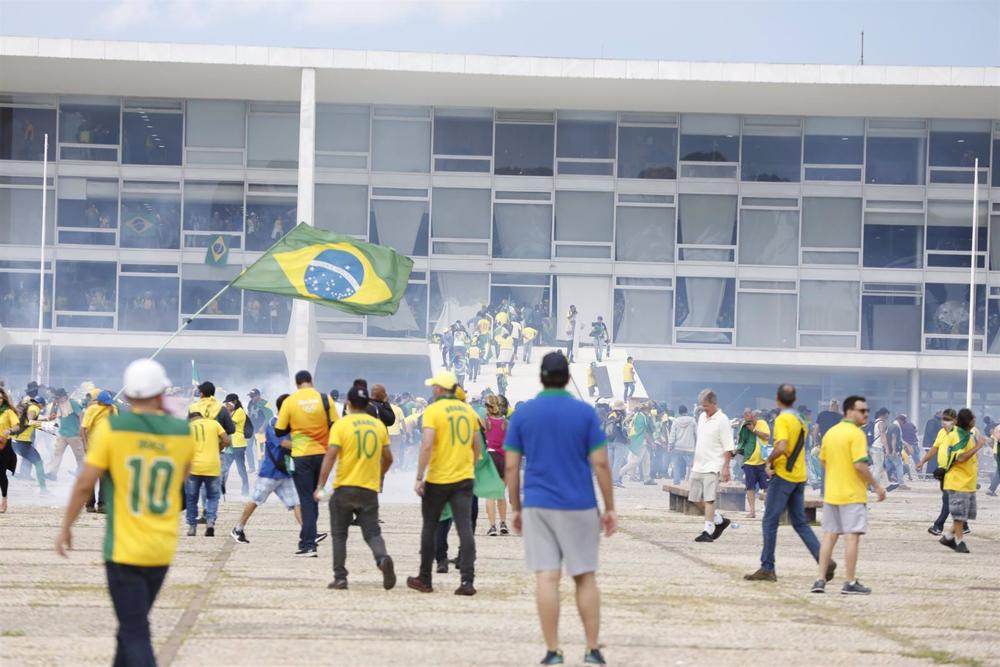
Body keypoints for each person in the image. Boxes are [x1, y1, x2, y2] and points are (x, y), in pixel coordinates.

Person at [56, 359, 193, 667]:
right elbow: (182, 478)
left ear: (128, 395)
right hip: (161, 547)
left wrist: (66, 527)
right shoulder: (182, 431)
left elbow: (85, 484)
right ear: (161, 393)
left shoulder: (114, 429)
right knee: (131, 625)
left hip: (123, 549)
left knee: (134, 630)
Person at [504, 351, 616, 666]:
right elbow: (600, 463)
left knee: (547, 577)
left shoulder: (524, 414)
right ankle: (592, 649)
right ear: (567, 378)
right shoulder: (584, 413)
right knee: (584, 577)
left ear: (541, 377)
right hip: (580, 504)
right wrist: (610, 507)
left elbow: (511, 467)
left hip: (538, 504)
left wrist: (516, 507)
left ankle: (553, 651)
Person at [745, 384, 833, 583]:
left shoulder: (783, 419)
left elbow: (782, 446)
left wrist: (769, 461)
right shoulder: (801, 420)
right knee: (800, 523)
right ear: (795, 399)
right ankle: (824, 559)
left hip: (784, 475)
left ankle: (767, 567)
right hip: (799, 475)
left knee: (769, 521)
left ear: (777, 399)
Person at [315, 385, 396, 590]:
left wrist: (320, 485)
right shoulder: (378, 426)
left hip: (344, 487)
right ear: (368, 403)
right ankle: (382, 559)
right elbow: (388, 458)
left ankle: (340, 577)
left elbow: (330, 457)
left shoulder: (341, 425)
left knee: (339, 534)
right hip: (368, 489)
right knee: (372, 532)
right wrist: (379, 475)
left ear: (349, 404)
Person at [407, 371, 480, 596]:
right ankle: (467, 580)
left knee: (430, 527)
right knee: (465, 528)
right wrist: (469, 466)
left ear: (439, 389)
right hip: (464, 477)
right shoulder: (468, 411)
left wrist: (419, 476)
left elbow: (427, 445)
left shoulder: (434, 410)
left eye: (434, 387)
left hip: (439, 478)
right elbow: (477, 445)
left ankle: (425, 578)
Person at [812, 395, 886, 595]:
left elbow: (823, 461)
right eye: (862, 411)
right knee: (852, 538)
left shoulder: (831, 433)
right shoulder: (856, 434)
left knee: (829, 537)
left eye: (867, 411)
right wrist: (876, 486)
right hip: (852, 494)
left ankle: (820, 580)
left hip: (832, 493)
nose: (866, 414)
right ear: (849, 412)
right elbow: (860, 465)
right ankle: (850, 582)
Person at [275, 370, 338, 557]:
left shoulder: (290, 401)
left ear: (297, 384)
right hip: (322, 454)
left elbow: (279, 430)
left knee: (306, 500)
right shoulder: (325, 399)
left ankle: (308, 544)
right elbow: (336, 424)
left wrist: (295, 425)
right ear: (311, 381)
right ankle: (308, 539)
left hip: (301, 455)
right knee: (315, 496)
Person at [231, 394, 301, 544]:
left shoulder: (288, 424)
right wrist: (307, 446)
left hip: (283, 472)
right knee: (255, 500)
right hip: (270, 472)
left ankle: (308, 533)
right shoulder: (274, 423)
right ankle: (238, 528)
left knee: (296, 501)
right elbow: (284, 444)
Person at [938, 408, 986, 553]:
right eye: (973, 418)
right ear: (969, 420)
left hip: (967, 482)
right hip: (957, 481)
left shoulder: (967, 435)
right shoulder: (958, 435)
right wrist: (978, 446)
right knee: (959, 516)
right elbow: (960, 458)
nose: (975, 420)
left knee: (963, 515)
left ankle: (948, 537)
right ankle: (960, 542)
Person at [689, 390, 734, 542]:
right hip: (698, 464)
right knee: (694, 498)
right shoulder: (702, 417)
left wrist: (726, 467)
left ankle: (707, 531)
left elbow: (728, 447)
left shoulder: (723, 420)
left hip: (714, 465)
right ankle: (719, 521)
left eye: (706, 406)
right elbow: (701, 440)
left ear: (714, 403)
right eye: (702, 406)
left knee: (709, 499)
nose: (704, 409)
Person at [186, 410, 229, 536]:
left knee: (191, 498)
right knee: (213, 496)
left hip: (193, 468)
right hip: (212, 466)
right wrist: (218, 448)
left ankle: (192, 527)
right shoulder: (214, 424)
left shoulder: (188, 427)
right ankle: (210, 522)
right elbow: (226, 440)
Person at [916, 408, 958, 535]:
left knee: (947, 498)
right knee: (950, 499)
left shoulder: (959, 434)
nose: (944, 422)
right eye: (943, 419)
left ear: (955, 420)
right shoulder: (941, 432)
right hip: (943, 471)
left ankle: (938, 525)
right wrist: (923, 461)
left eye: (948, 420)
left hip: (954, 471)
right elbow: (934, 449)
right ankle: (963, 524)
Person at [81, 390, 118, 513]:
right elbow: (83, 429)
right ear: (100, 401)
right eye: (105, 402)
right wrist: (85, 444)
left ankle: (102, 504)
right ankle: (89, 504)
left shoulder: (113, 408)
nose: (108, 404)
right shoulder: (91, 410)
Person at [10, 394, 48, 495]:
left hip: (14, 441)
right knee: (39, 463)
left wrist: (44, 421)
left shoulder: (27, 407)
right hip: (22, 442)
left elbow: (27, 421)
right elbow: (30, 420)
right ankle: (44, 490)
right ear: (41, 404)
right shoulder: (35, 408)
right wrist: (45, 424)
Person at [482, 394, 509, 536]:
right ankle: (503, 523)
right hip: (504, 459)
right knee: (501, 494)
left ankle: (492, 527)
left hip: (491, 458)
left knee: (490, 495)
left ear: (487, 407)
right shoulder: (506, 423)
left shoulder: (485, 422)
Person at [737, 408, 770, 518]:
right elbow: (741, 441)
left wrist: (753, 430)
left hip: (762, 461)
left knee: (766, 487)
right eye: (745, 415)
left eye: (750, 415)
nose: (749, 418)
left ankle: (769, 510)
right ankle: (752, 511)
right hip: (749, 462)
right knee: (750, 487)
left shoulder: (762, 423)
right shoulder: (744, 426)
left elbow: (766, 436)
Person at [46, 388, 85, 481]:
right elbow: (51, 417)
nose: (58, 399)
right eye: (57, 397)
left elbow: (81, 414)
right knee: (57, 454)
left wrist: (81, 428)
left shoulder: (72, 403)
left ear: (64, 396)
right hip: (63, 433)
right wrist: (54, 405)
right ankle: (53, 473)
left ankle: (82, 474)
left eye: (58, 397)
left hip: (74, 434)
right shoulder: (57, 405)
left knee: (79, 456)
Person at [221, 393, 251, 499]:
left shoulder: (239, 412)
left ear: (234, 402)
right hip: (230, 445)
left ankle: (245, 491)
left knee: (241, 469)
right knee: (225, 468)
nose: (226, 406)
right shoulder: (232, 412)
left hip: (238, 444)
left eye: (228, 404)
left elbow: (230, 425)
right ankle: (221, 491)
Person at [619, 402, 653, 484]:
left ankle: (647, 478)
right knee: (635, 461)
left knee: (646, 460)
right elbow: (644, 432)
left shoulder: (637, 415)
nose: (650, 411)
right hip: (640, 441)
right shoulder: (642, 418)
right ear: (645, 409)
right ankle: (620, 473)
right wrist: (651, 442)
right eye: (649, 409)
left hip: (635, 440)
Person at [0, 387, 19, 513]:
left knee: (1, 473)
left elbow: (16, 426)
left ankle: (4, 500)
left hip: (4, 445)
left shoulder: (8, 412)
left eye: (0, 398)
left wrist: (10, 430)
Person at [668, 405, 696, 484]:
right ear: (686, 412)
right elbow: (696, 433)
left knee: (676, 466)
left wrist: (670, 445)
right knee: (691, 466)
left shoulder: (675, 422)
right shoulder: (693, 421)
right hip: (690, 447)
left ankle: (676, 481)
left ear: (679, 412)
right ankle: (690, 482)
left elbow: (672, 435)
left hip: (678, 447)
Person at [604, 400, 628, 489]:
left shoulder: (609, 414)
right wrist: (627, 439)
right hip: (619, 441)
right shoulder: (620, 416)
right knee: (617, 462)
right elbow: (622, 429)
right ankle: (615, 481)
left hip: (609, 440)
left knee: (610, 462)